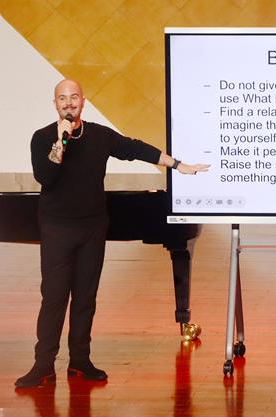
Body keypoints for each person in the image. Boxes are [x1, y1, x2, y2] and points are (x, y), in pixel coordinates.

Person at [15, 79, 209, 388]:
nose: (69, 103)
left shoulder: (100, 135)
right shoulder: (42, 138)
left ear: (83, 102)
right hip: (57, 229)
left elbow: (135, 148)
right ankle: (43, 365)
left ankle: (80, 361)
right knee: (54, 297)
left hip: (92, 228)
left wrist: (177, 165)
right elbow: (46, 176)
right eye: (62, 98)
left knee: (85, 298)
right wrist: (60, 142)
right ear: (55, 104)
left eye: (74, 97)